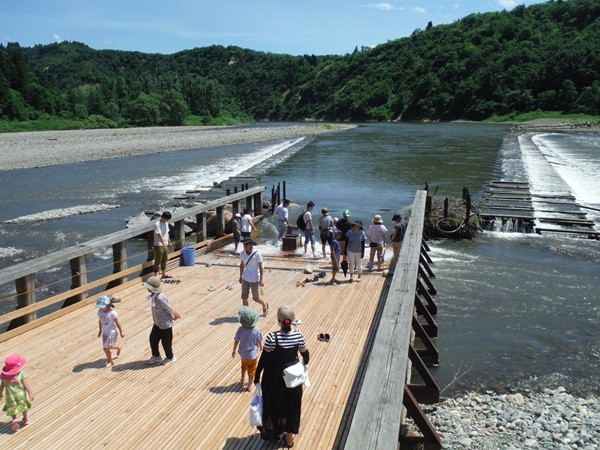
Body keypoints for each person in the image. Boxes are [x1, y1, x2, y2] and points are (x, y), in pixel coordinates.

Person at [254, 306, 309, 447]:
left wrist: (257, 376)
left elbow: (264, 359)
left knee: (274, 406)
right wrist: (302, 365)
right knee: (292, 407)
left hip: (275, 380)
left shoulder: (273, 337)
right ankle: (289, 438)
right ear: (292, 320)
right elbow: (306, 355)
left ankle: (274, 432)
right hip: (293, 380)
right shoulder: (298, 335)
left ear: (278, 321)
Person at [144, 276, 181, 366]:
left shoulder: (160, 297)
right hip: (157, 322)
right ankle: (156, 356)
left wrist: (173, 315)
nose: (147, 288)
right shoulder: (154, 295)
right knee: (153, 339)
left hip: (165, 324)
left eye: (148, 287)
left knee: (166, 343)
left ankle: (170, 357)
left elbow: (168, 307)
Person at [1, 353, 35, 432]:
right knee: (24, 407)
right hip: (21, 396)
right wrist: (30, 393)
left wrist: (0, 393)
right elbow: (25, 385)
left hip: (10, 397)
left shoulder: (4, 376)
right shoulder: (22, 374)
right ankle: (25, 419)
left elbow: (1, 386)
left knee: (12, 408)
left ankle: (15, 419)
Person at [232, 306, 263, 392]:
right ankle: (249, 385)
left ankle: (242, 380)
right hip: (253, 355)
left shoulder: (240, 330)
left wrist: (234, 350)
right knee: (252, 370)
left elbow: (236, 340)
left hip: (243, 354)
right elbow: (259, 340)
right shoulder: (256, 330)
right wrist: (261, 346)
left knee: (243, 366)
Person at [239, 237, 268, 316]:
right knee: (244, 297)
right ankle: (246, 313)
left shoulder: (257, 254)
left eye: (246, 244)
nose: (244, 245)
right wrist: (240, 276)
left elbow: (261, 267)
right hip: (245, 278)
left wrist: (261, 279)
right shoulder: (242, 253)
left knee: (256, 298)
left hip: (255, 279)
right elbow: (242, 265)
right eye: (244, 244)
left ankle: (264, 305)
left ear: (251, 245)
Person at [96, 295, 125, 368]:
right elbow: (100, 321)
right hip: (105, 332)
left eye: (102, 306)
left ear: (107, 305)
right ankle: (118, 347)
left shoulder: (112, 313)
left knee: (105, 348)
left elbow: (117, 323)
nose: (101, 308)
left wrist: (121, 332)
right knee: (109, 346)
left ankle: (110, 361)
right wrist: (100, 331)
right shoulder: (100, 311)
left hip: (111, 332)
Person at [153, 211, 173, 279]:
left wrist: (169, 241)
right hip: (158, 244)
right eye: (166, 219)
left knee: (165, 259)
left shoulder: (166, 223)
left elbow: (167, 233)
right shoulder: (157, 224)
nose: (167, 220)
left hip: (166, 243)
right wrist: (164, 244)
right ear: (163, 217)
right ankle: (155, 276)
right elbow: (160, 235)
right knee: (158, 260)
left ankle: (163, 274)